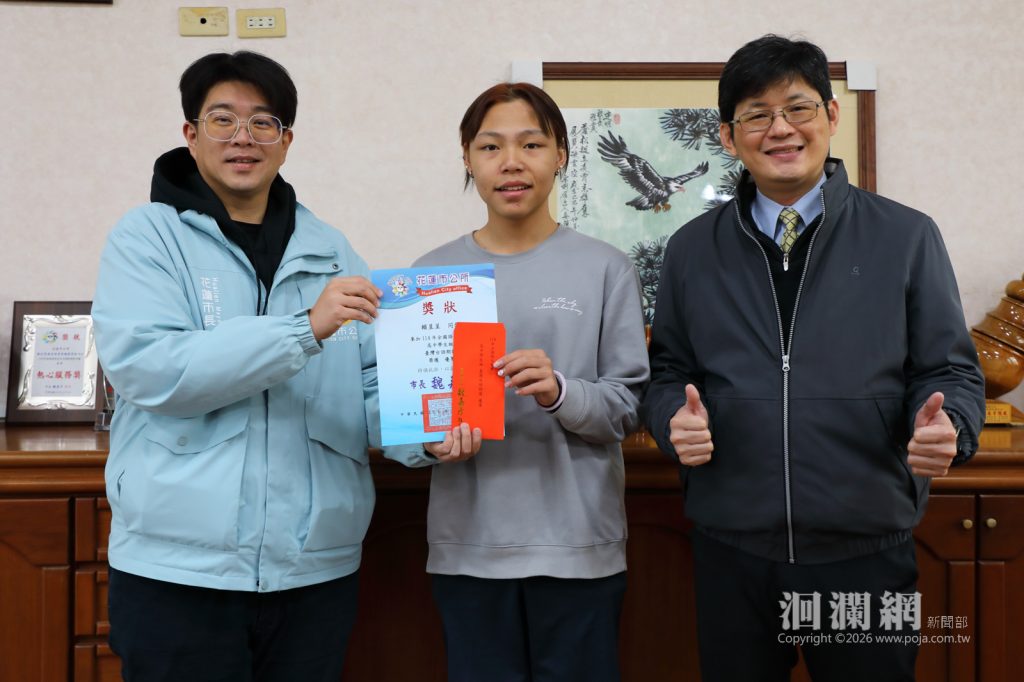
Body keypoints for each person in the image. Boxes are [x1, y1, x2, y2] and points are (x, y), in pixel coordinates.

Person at [91, 51, 474, 682]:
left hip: (314, 570)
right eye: (222, 119)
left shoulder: (331, 249)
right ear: (191, 134)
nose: (243, 137)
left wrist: (427, 433)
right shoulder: (146, 238)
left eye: (263, 122)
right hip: (178, 571)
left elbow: (370, 381)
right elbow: (151, 368)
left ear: (286, 141)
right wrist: (303, 329)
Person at [643, 35, 985, 682]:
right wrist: (669, 420)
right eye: (756, 114)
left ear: (830, 116)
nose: (780, 129)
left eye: (797, 108)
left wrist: (952, 424)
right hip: (732, 545)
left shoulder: (906, 236)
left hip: (865, 544)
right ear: (728, 136)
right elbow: (669, 374)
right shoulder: (690, 249)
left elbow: (950, 371)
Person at [413, 82, 650, 682]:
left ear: (561, 155)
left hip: (578, 548)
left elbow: (627, 408)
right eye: (491, 146)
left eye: (531, 144)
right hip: (468, 548)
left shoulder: (606, 267)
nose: (511, 162)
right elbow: (410, 418)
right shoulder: (429, 274)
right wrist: (430, 441)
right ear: (467, 159)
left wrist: (560, 392)